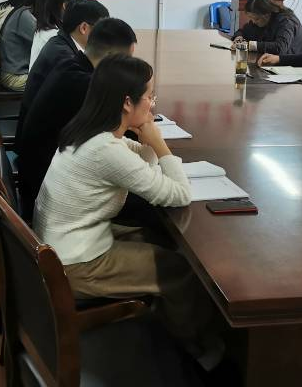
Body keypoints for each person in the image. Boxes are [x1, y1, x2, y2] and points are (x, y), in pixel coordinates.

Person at [34, 54, 223, 371]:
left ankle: (168, 322)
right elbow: (178, 194)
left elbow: (142, 164)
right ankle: (193, 352)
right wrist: (159, 143)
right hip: (76, 264)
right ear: (126, 102)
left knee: (158, 239)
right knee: (179, 271)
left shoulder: (90, 132)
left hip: (63, 245)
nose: (152, 104)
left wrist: (148, 139)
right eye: (149, 96)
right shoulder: (105, 151)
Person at [17, 17, 137, 218]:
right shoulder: (85, 85)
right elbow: (118, 138)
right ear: (110, 58)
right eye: (128, 62)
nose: (129, 70)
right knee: (151, 203)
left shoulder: (71, 65)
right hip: (50, 194)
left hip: (41, 178)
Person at [17, 0, 110, 128]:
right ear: (84, 28)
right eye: (102, 29)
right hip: (44, 135)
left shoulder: (61, 42)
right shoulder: (64, 57)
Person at [29, 0, 82, 68]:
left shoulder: (50, 29)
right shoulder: (53, 36)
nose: (82, 7)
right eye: (79, 1)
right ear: (65, 5)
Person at [233, 0, 302, 54]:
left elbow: (280, 47)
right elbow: (244, 31)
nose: (253, 22)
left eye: (256, 19)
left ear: (267, 14)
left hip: (292, 63)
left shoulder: (286, 21)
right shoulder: (260, 21)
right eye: (251, 18)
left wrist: (248, 45)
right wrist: (239, 38)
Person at [0, 0, 38, 92]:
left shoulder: (20, 11)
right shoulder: (24, 15)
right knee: (57, 83)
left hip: (11, 72)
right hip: (15, 77)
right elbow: (42, 43)